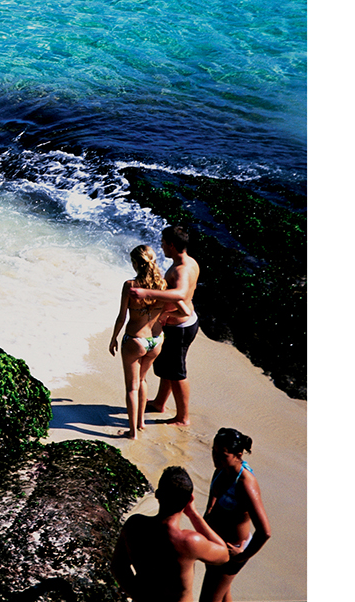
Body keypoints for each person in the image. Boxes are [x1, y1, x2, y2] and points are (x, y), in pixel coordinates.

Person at [112, 466, 231, 602]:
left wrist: (138, 595)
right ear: (189, 500)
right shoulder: (190, 541)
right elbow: (224, 555)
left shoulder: (134, 526)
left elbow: (118, 567)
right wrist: (193, 514)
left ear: (157, 494)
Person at [108, 245, 182, 439]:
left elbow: (121, 317)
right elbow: (182, 307)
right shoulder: (163, 285)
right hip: (156, 340)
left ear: (135, 264)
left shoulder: (130, 285)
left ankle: (132, 433)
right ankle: (141, 423)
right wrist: (164, 314)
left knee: (132, 386)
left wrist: (114, 338)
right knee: (142, 380)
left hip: (135, 340)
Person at [131, 226, 200, 426]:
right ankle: (160, 403)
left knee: (177, 373)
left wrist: (147, 294)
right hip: (182, 322)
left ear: (171, 244)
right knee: (169, 368)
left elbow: (179, 294)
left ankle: (183, 417)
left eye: (162, 243)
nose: (161, 246)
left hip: (181, 327)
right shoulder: (188, 262)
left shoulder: (181, 269)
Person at [199, 428, 272, 602]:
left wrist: (241, 556)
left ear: (238, 454)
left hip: (232, 552)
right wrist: (209, 512)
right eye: (213, 452)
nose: (215, 457)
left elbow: (265, 532)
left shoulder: (245, 484)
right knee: (223, 594)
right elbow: (214, 494)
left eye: (222, 454)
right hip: (215, 543)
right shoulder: (221, 468)